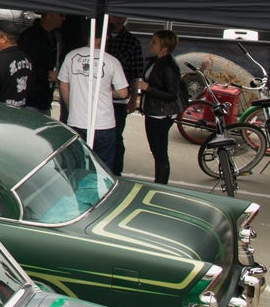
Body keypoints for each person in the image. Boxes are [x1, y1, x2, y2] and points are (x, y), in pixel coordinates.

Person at [58, 32, 131, 169]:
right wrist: (107, 91)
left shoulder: (71, 56)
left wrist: (70, 107)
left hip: (77, 120)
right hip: (103, 123)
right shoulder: (111, 61)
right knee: (102, 166)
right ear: (105, 39)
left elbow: (63, 85)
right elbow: (123, 93)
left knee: (77, 165)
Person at [137, 29, 186, 183]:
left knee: (159, 151)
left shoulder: (169, 67)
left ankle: (161, 184)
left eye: (154, 42)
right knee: (157, 150)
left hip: (160, 114)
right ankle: (160, 182)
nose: (151, 44)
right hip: (153, 111)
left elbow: (172, 94)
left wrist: (147, 88)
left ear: (164, 48)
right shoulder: (157, 61)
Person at [102, 16, 145, 169]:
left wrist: (134, 99)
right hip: (99, 97)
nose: (118, 19)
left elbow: (136, 74)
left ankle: (116, 170)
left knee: (116, 136)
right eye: (115, 15)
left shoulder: (132, 42)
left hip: (120, 99)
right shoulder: (100, 37)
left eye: (122, 16)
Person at [19, 11, 64, 113]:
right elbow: (22, 65)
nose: (63, 19)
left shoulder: (53, 36)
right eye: (60, 15)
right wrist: (46, 74)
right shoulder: (30, 36)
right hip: (30, 98)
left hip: (45, 98)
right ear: (48, 15)